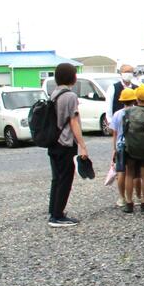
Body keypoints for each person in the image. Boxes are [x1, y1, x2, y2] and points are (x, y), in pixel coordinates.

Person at [47, 62, 89, 227]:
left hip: (53, 141)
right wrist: (82, 145)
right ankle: (57, 216)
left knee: (56, 178)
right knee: (65, 179)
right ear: (73, 77)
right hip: (65, 142)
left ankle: (54, 210)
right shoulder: (70, 96)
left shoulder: (54, 93)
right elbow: (73, 122)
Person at [122, 84, 144, 213]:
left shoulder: (128, 112)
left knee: (129, 174)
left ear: (136, 97)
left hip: (130, 146)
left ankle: (129, 203)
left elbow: (124, 129)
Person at [109, 88, 137, 208]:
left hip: (121, 144)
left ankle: (122, 198)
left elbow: (114, 133)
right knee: (133, 172)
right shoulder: (136, 112)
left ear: (122, 101)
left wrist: (114, 149)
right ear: (134, 100)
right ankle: (136, 196)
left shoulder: (117, 114)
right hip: (134, 144)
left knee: (121, 172)